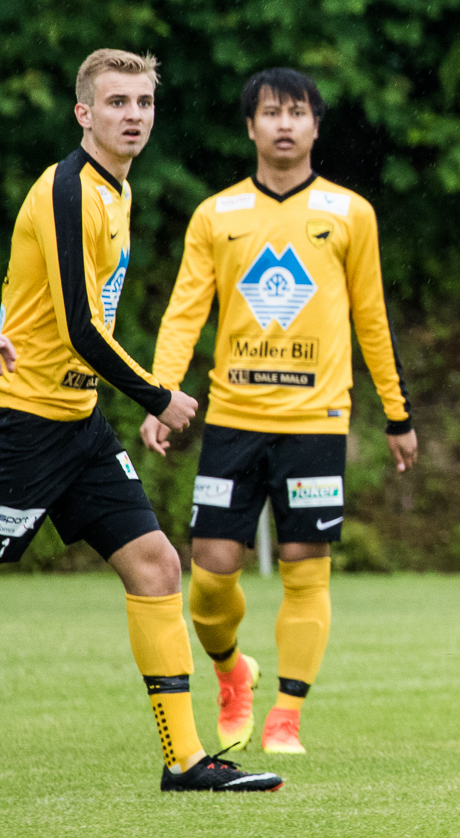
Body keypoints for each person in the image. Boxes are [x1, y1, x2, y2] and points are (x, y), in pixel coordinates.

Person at [0, 49, 282, 792]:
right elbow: (79, 329)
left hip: (79, 427)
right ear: (83, 113)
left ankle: (185, 760)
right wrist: (158, 394)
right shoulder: (68, 190)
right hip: (22, 423)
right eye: (117, 102)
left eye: (144, 103)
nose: (134, 116)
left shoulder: (116, 192)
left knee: (157, 566)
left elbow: (28, 296)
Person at [141, 67, 417, 756]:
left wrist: (397, 413)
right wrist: (158, 393)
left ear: (317, 126)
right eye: (272, 113)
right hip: (233, 417)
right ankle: (233, 670)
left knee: (304, 559)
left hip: (316, 421)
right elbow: (183, 313)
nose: (285, 124)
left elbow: (371, 317)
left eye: (298, 112)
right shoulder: (217, 215)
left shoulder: (350, 214)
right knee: (207, 574)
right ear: (250, 127)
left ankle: (286, 716)